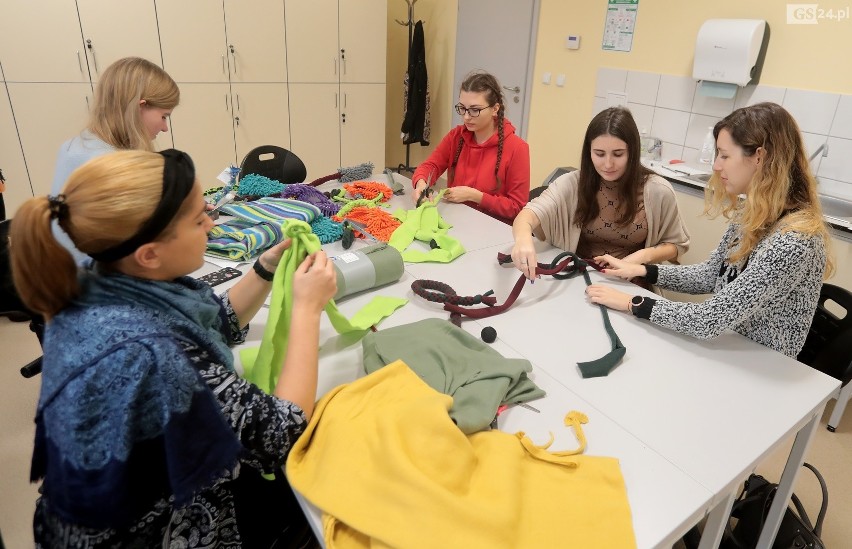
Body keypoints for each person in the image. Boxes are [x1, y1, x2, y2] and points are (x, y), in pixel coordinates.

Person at [11, 149, 337, 548]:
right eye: (200, 219)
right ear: (149, 254)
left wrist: (266, 267)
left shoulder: (104, 282)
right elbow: (283, 432)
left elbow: (217, 319)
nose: (213, 225)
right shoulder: (154, 355)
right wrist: (307, 309)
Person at [585, 102, 834, 359]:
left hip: (761, 366)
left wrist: (631, 303)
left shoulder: (794, 242)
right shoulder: (755, 212)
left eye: (725, 156)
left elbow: (708, 320)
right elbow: (711, 275)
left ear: (759, 157)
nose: (716, 166)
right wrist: (641, 270)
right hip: (729, 349)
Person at [511, 106, 690, 280]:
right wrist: (523, 239)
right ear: (589, 152)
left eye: (618, 154)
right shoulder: (573, 183)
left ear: (633, 152)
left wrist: (642, 257)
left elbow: (677, 245)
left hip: (630, 284)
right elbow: (528, 215)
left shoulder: (658, 191)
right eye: (599, 154)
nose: (608, 164)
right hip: (577, 279)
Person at [51, 57, 179, 263]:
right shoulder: (113, 165)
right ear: (140, 108)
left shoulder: (71, 147)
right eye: (164, 116)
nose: (165, 128)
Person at [411, 70, 530, 224]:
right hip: (457, 221)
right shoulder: (456, 136)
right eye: (462, 108)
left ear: (495, 109)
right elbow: (430, 166)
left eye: (475, 110)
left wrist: (476, 196)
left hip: (494, 228)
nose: (466, 116)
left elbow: (517, 208)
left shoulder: (517, 148)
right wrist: (421, 183)